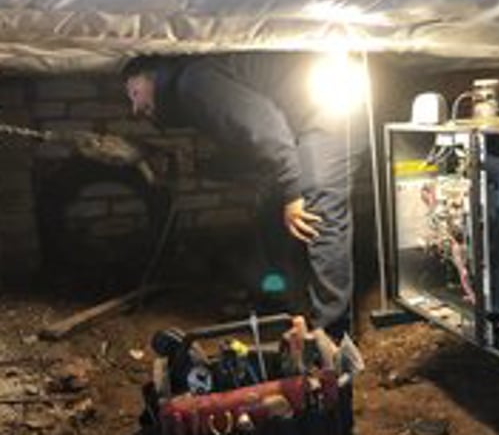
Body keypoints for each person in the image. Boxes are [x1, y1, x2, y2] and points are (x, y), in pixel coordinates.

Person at [121, 52, 367, 337]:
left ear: (154, 76)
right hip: (296, 126)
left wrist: (292, 194)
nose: (135, 107)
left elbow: (265, 125)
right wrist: (206, 168)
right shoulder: (193, 92)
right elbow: (250, 145)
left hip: (330, 112)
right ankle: (280, 299)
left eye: (135, 92)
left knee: (317, 203)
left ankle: (332, 330)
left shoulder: (194, 82)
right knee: (269, 214)